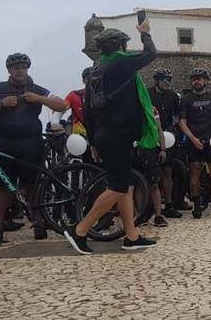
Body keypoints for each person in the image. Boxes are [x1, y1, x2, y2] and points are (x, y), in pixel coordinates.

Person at [64, 23, 158, 254]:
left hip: (106, 135)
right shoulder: (120, 63)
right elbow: (150, 54)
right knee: (117, 187)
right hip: (119, 134)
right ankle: (81, 230)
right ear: (120, 46)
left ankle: (131, 236)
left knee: (125, 186)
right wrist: (145, 32)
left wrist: (94, 140)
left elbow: (88, 110)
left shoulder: (97, 71)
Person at [0, 53, 68, 240]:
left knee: (32, 185)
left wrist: (39, 98)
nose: (20, 70)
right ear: (9, 70)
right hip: (4, 142)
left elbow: (62, 104)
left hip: (30, 143)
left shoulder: (36, 89)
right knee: (0, 187)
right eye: (16, 67)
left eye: (24, 67)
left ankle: (39, 224)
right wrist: (1, 103)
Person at [179, 67, 211, 219]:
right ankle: (197, 207)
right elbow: (182, 122)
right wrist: (193, 139)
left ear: (206, 81)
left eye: (200, 78)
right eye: (194, 78)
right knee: (194, 171)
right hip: (193, 139)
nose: (197, 81)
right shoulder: (186, 99)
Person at [149, 67, 185, 216]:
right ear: (156, 80)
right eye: (163, 79)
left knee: (167, 171)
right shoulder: (148, 93)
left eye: (168, 80)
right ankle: (149, 205)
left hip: (168, 136)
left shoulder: (173, 96)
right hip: (151, 135)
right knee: (151, 173)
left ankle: (169, 204)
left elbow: (177, 115)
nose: (166, 82)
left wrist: (175, 128)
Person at [50, 67, 92, 136]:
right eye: (87, 79)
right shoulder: (74, 95)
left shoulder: (104, 94)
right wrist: (55, 123)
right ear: (83, 81)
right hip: (78, 139)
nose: (90, 81)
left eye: (93, 78)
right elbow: (61, 109)